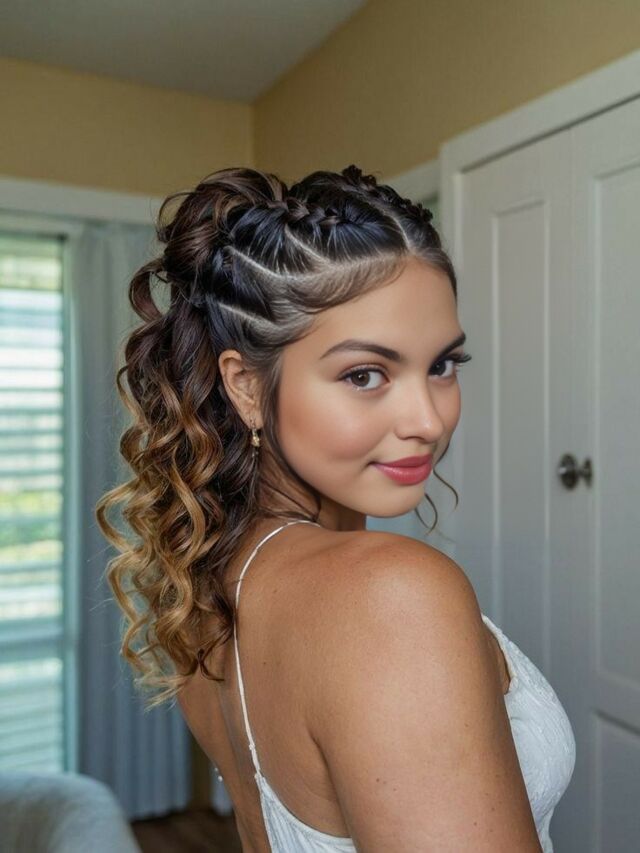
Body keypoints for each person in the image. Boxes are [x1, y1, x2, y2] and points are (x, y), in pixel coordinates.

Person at [96, 165, 575, 852]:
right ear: (246, 387)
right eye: (365, 374)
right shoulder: (391, 596)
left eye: (442, 365)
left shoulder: (215, 581)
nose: (428, 420)